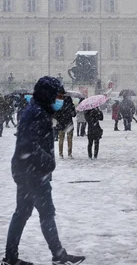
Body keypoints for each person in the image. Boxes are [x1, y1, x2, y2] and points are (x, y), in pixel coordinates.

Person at [2, 76, 85, 265]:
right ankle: (58, 255)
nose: (61, 99)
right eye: (59, 95)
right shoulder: (37, 113)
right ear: (48, 94)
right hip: (33, 173)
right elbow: (27, 145)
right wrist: (48, 162)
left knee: (22, 213)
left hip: (26, 170)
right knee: (46, 213)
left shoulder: (38, 111)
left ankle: (11, 257)